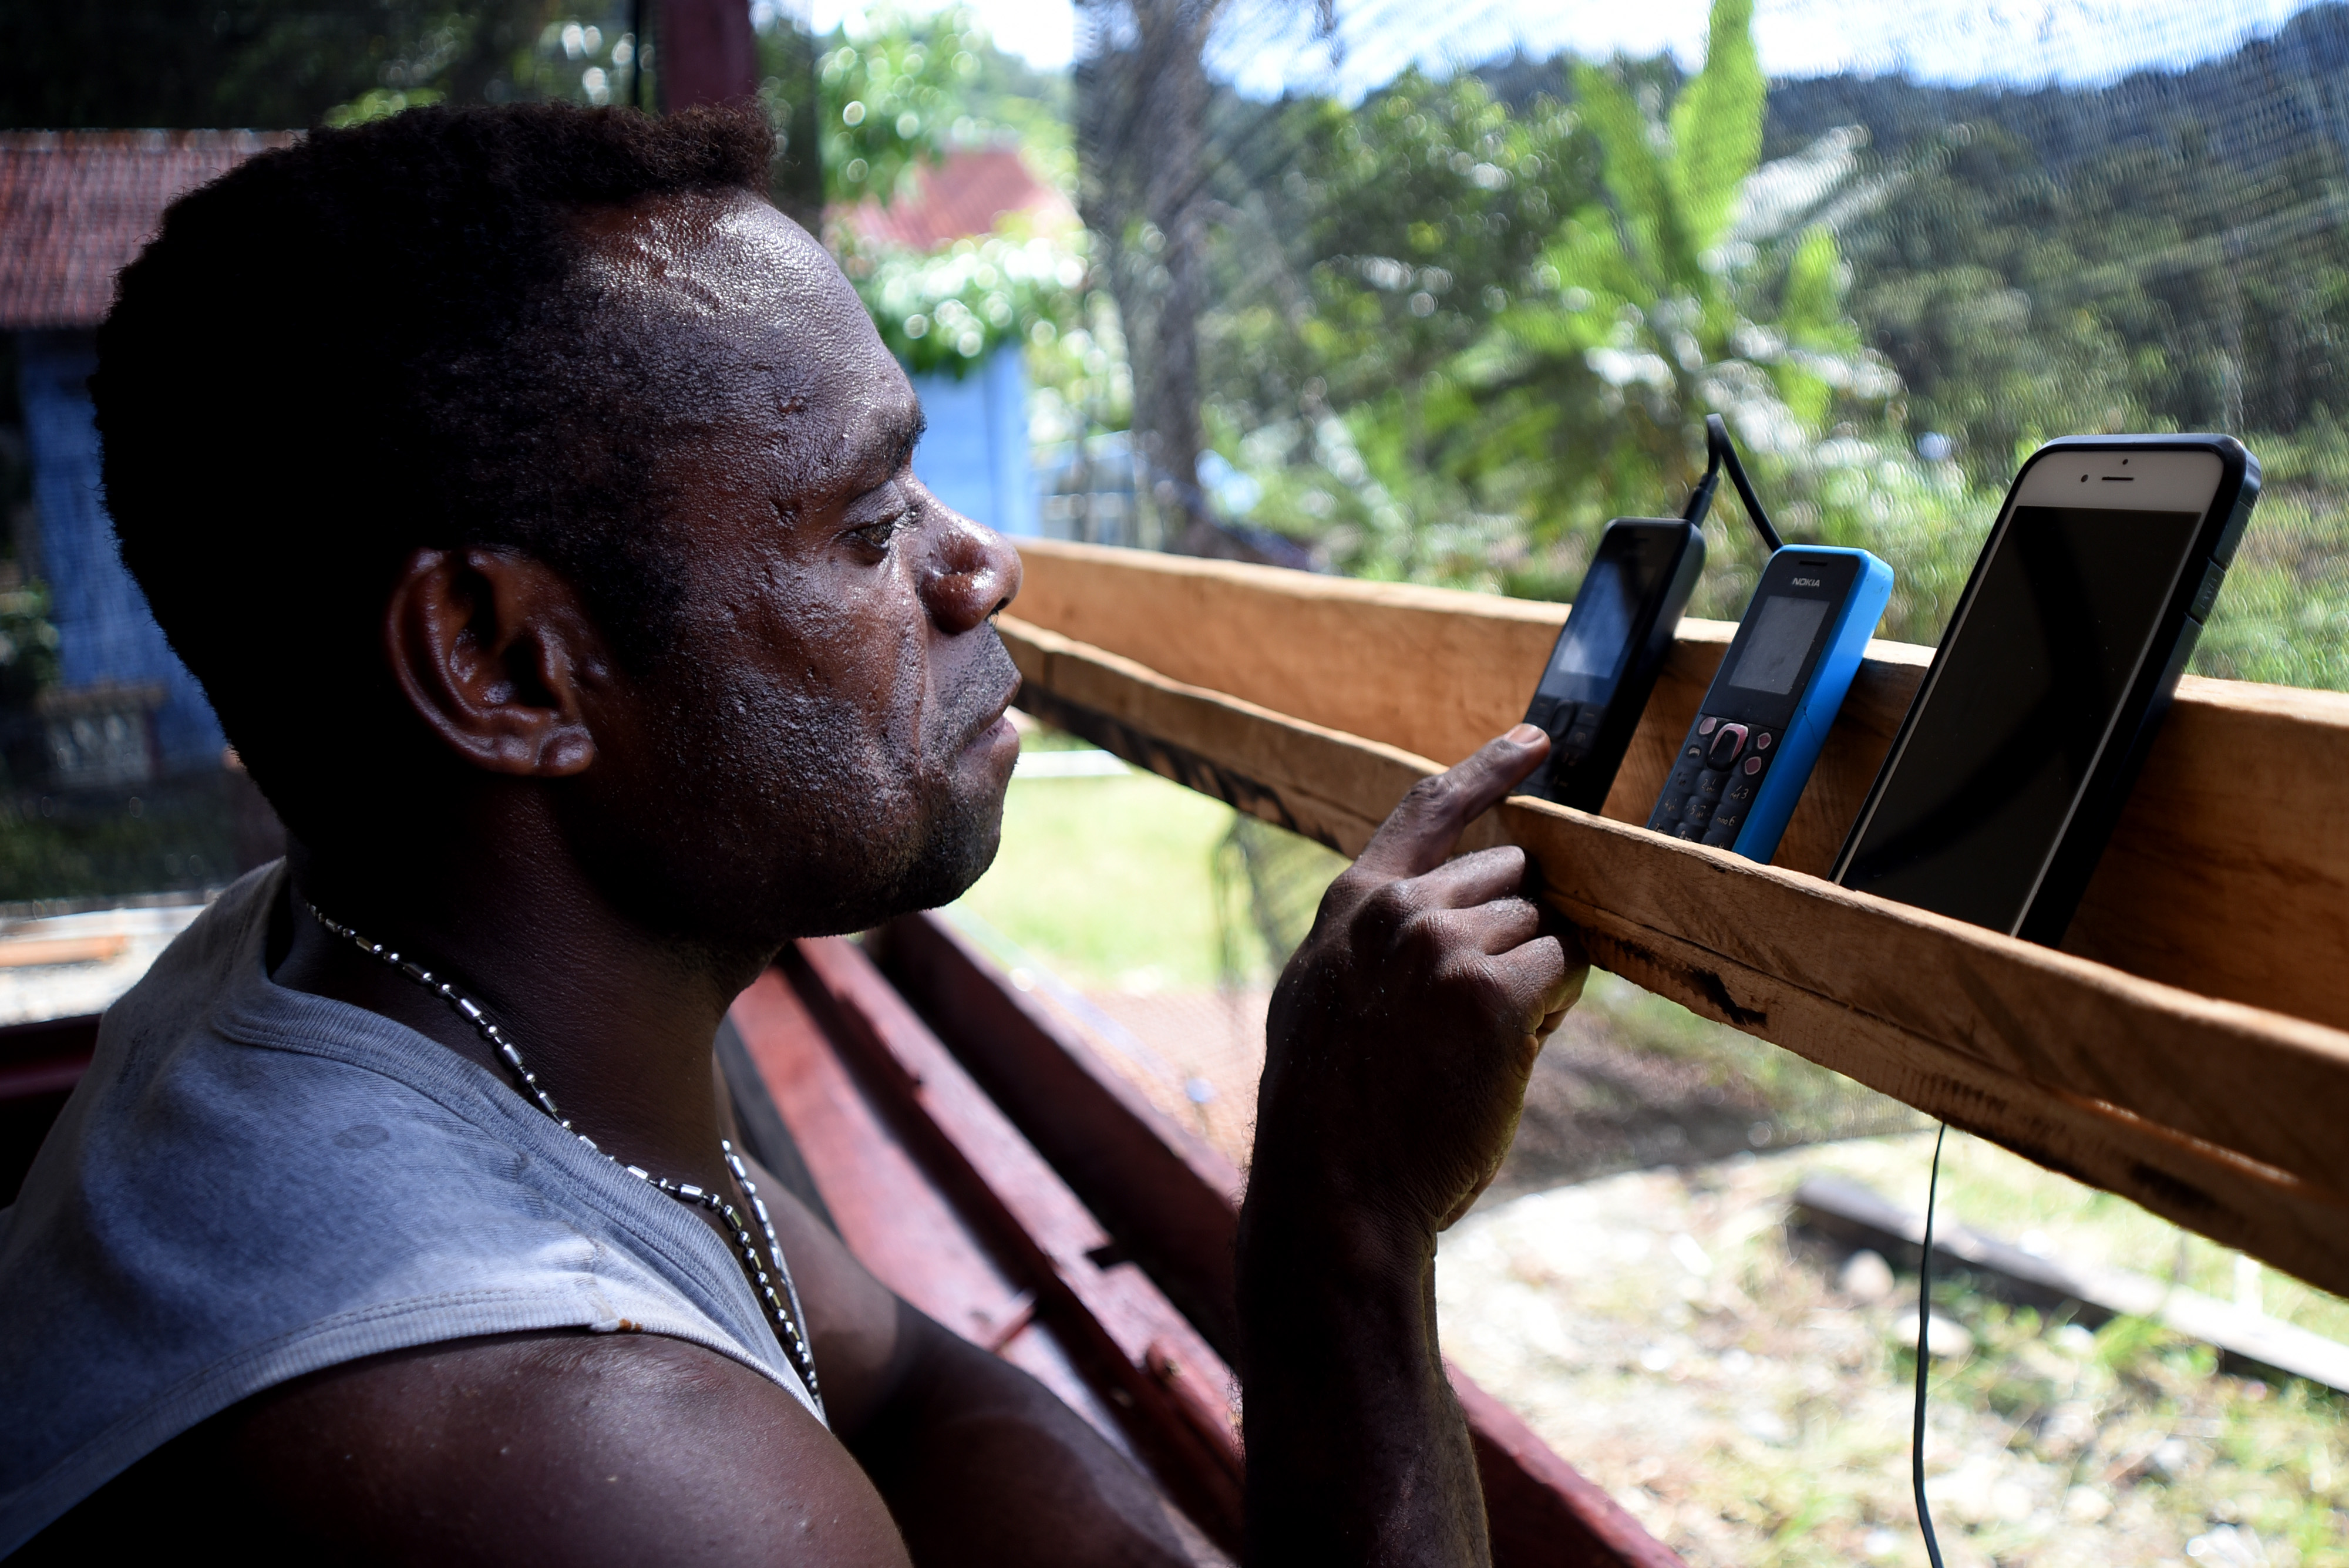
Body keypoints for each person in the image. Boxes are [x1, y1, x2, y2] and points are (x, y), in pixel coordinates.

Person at [0, 103, 1580, 1564]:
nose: (984, 568)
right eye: (873, 524)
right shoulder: (577, 1452)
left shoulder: (347, 985)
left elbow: (898, 1390)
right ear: (506, 663)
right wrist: (1345, 1228)